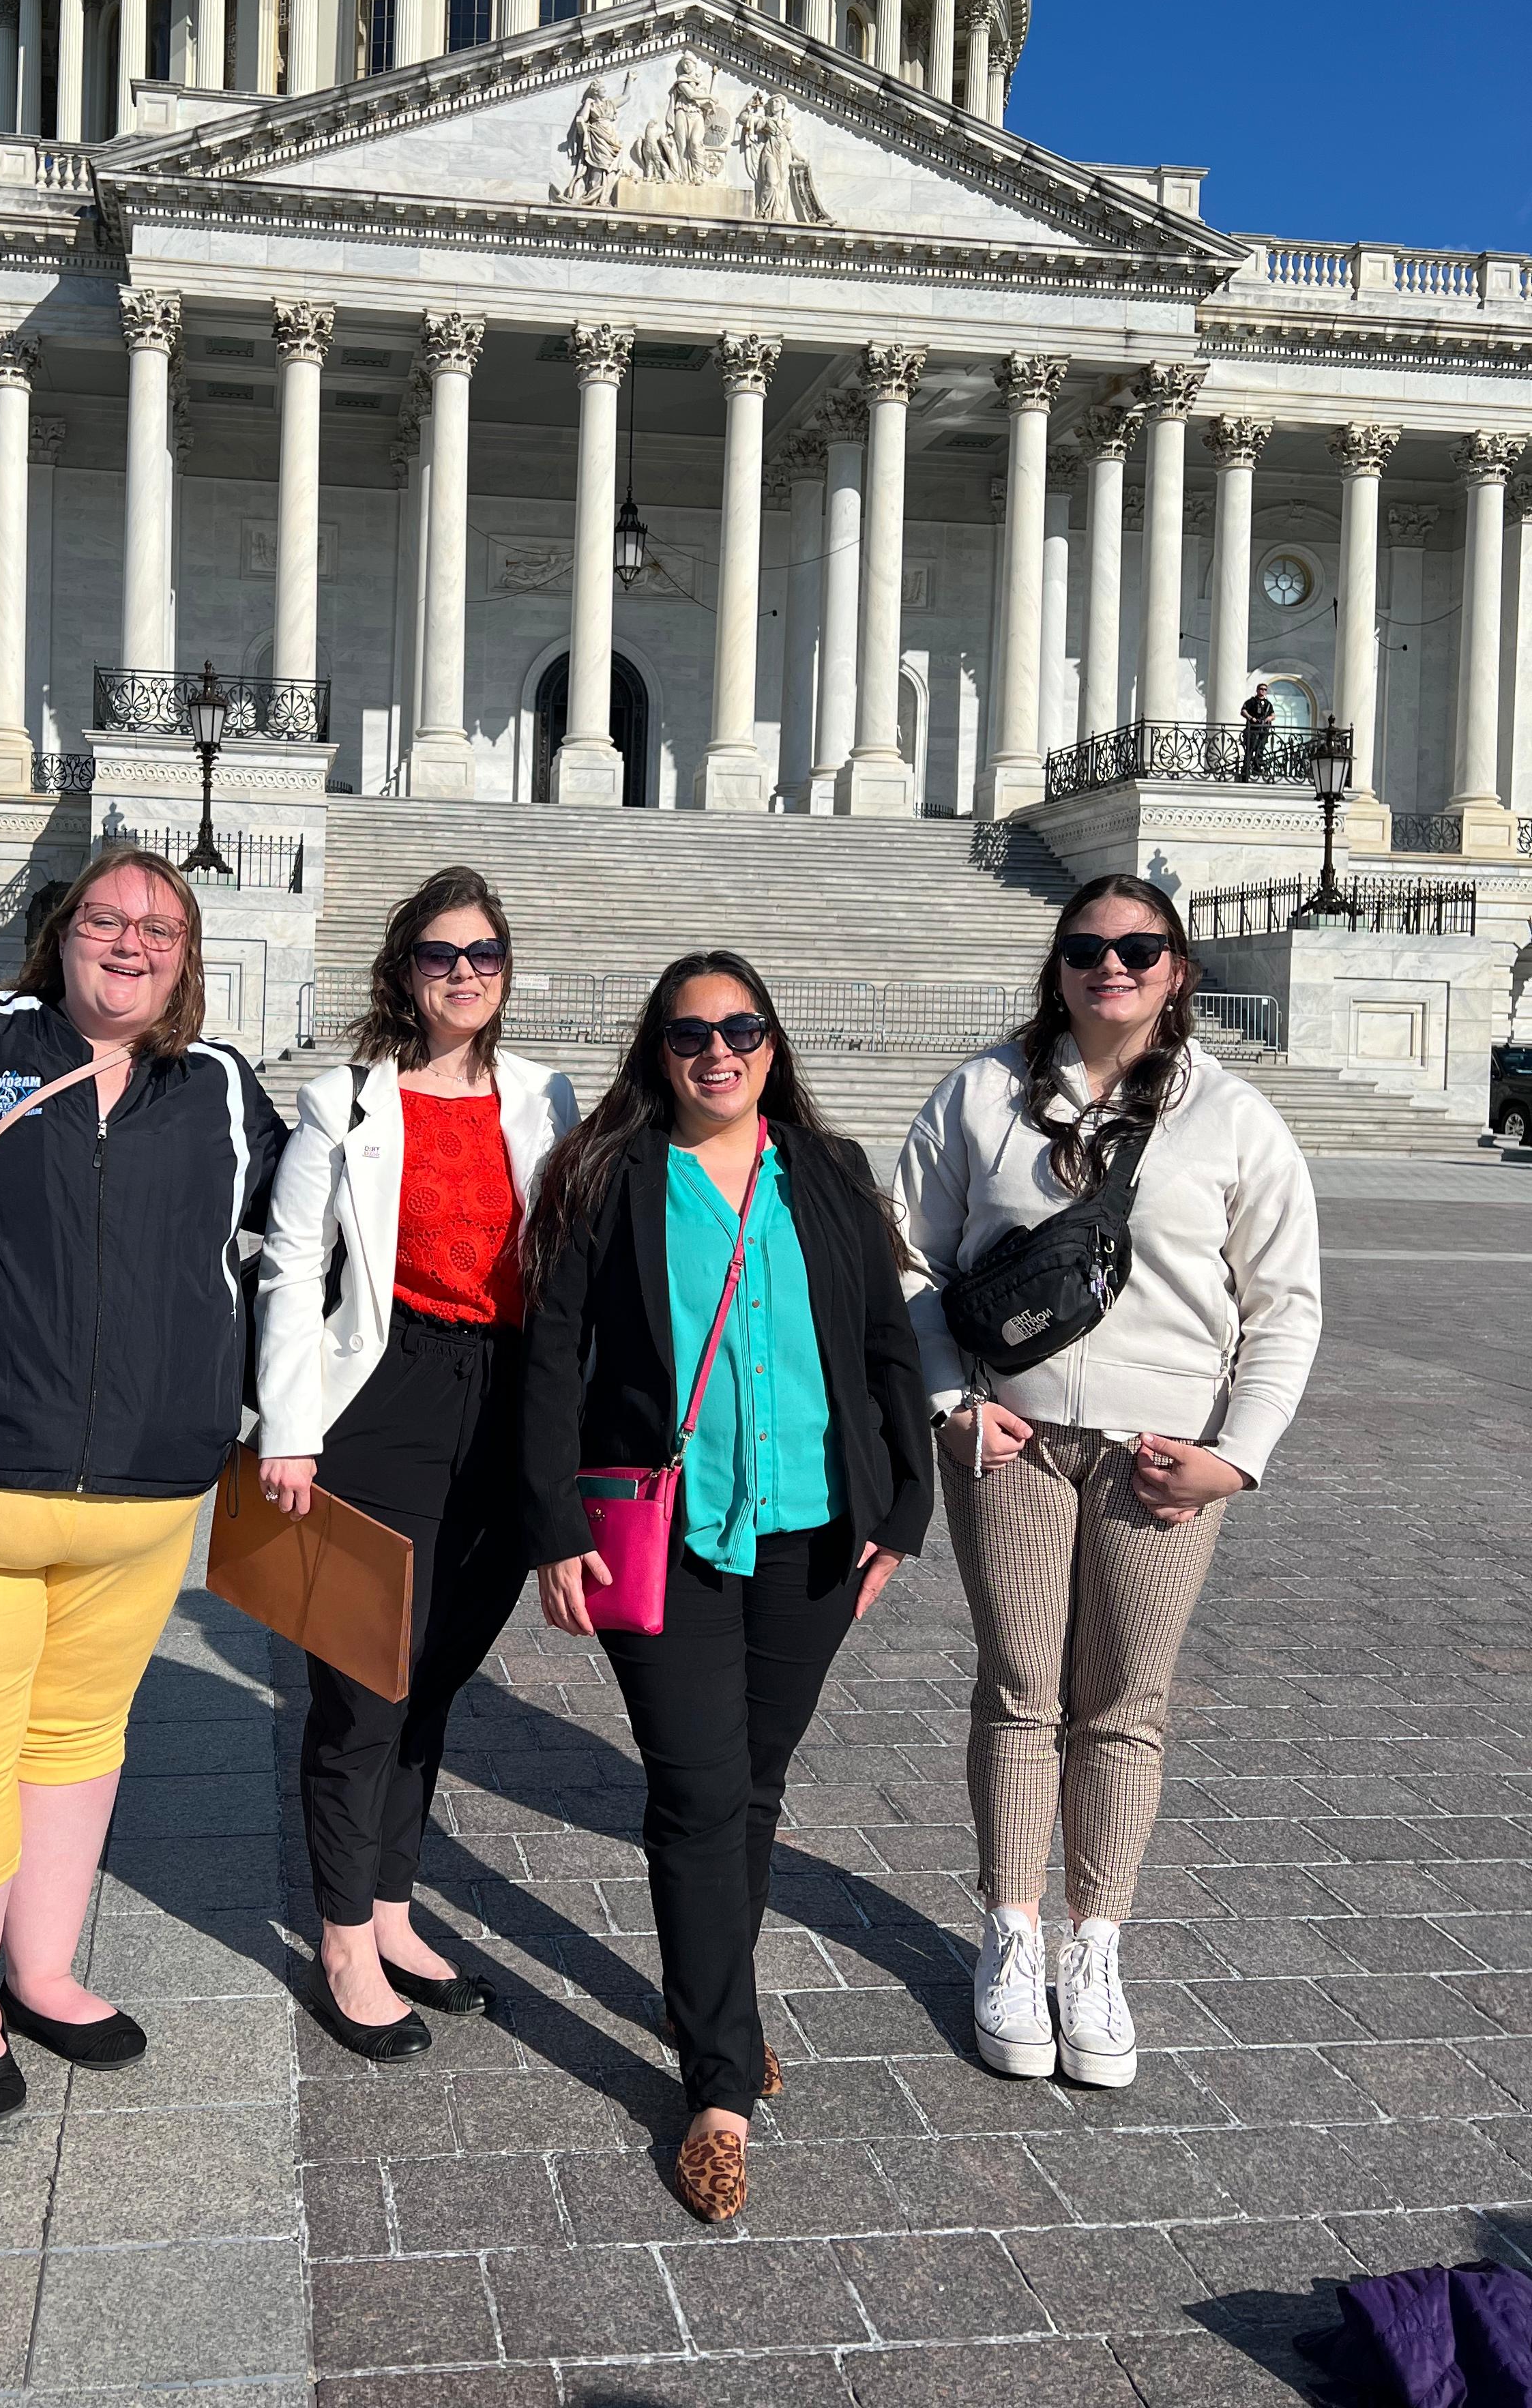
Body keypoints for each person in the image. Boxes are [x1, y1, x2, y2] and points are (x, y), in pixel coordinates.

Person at [0, 845, 286, 2126]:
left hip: (147, 1498)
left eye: (159, 926)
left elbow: (327, 1217)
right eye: (106, 918)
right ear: (61, 933)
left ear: (188, 954)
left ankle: (39, 1968)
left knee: (74, 1741)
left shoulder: (215, 1085)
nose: (131, 942)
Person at [519, 953, 934, 2223]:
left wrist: (902, 1510)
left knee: (752, 1785)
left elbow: (880, 1346)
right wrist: (549, 1525)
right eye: (688, 1031)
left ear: (770, 1042)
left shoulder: (826, 1173)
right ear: (656, 1049)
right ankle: (714, 2087)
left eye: (738, 1028)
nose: (715, 1050)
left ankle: (721, 2003)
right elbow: (548, 1357)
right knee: (696, 1794)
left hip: (813, 1536)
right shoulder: (607, 1178)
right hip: (672, 1537)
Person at [895, 877, 1320, 2091]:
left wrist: (1234, 1455)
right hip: (1011, 1438)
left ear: (1175, 968)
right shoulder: (980, 1093)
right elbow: (907, 1255)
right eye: (1084, 947)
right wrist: (948, 1401)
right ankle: (1010, 1931)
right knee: (1022, 1689)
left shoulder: (1232, 1117)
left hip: (1161, 1458)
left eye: (1137, 948)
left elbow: (1281, 1305)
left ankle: (1096, 1942)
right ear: (1058, 964)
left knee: (1124, 1700)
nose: (1110, 966)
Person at [256, 868, 577, 2058]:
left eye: (482, 953)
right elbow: (291, 1264)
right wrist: (288, 1426)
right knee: (361, 1681)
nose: (462, 973)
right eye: (439, 953)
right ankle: (341, 1932)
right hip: (379, 1395)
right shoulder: (342, 1096)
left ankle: (390, 1904)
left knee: (436, 1670)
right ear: (402, 969)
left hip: (504, 1402)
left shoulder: (545, 1094)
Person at [1240, 680, 1276, 779]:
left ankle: (1258, 769)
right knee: (1250, 749)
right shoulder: (1251, 701)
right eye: (1261, 689)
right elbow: (1243, 711)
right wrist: (1251, 718)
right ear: (1257, 690)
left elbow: (1273, 715)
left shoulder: (1268, 704)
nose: (1263, 691)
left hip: (1263, 730)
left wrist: (1269, 718)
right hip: (1253, 729)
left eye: (1265, 690)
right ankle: (1246, 769)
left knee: (1261, 749)